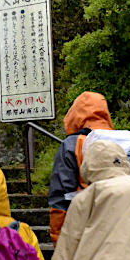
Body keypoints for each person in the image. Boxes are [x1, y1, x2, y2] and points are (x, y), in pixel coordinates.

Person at [48, 91, 114, 245]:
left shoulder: (73, 145)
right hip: (125, 231)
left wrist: (59, 243)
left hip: (87, 234)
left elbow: (61, 199)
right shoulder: (127, 141)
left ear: (75, 114)